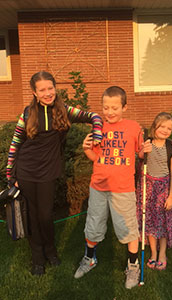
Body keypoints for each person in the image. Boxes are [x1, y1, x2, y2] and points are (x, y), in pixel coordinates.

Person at [6, 71, 103, 276]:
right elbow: (15, 144)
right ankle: (38, 259)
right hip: (26, 171)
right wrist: (10, 175)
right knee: (32, 217)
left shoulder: (64, 110)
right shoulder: (27, 113)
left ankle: (50, 252)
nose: (48, 93)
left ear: (55, 87)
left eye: (50, 88)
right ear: (34, 92)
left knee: (45, 216)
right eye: (42, 90)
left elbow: (93, 116)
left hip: (48, 172)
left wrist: (97, 132)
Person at [74, 86, 151, 289]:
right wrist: (86, 149)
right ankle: (89, 259)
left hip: (123, 189)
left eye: (114, 107)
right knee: (93, 226)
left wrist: (145, 150)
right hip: (98, 187)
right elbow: (96, 158)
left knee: (128, 230)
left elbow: (141, 155)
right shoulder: (98, 128)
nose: (109, 112)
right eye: (106, 107)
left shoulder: (134, 127)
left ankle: (133, 266)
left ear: (124, 107)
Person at [136, 112, 172, 271]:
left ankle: (162, 254)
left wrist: (171, 195)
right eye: (163, 126)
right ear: (155, 126)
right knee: (149, 221)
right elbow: (140, 158)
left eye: (169, 128)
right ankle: (153, 252)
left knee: (162, 221)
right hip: (147, 187)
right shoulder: (147, 143)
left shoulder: (171, 147)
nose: (166, 130)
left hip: (163, 189)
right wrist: (142, 151)